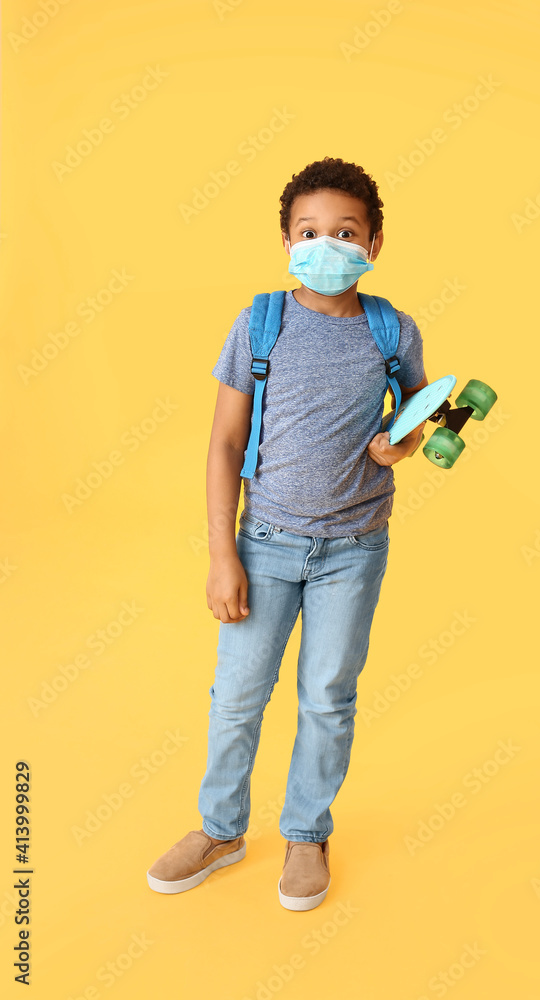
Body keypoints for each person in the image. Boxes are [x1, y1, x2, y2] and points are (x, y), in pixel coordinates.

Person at [147, 156, 428, 910]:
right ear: (284, 240)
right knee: (238, 694)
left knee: (327, 696)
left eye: (345, 232)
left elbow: (412, 422)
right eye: (309, 232)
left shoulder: (392, 329)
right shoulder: (259, 322)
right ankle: (220, 828)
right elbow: (224, 446)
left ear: (373, 242)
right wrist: (221, 552)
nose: (327, 245)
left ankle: (306, 832)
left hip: (355, 547)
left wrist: (396, 446)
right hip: (264, 541)